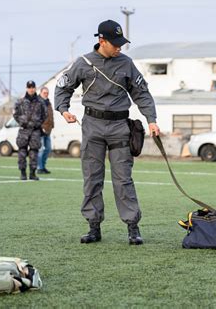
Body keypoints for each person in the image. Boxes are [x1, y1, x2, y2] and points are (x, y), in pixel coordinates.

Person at [55, 19, 160, 245]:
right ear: (102, 41)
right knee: (92, 178)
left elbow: (141, 93)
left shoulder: (127, 63)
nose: (119, 47)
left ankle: (133, 227)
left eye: (121, 43)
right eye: (115, 43)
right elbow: (63, 86)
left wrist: (151, 120)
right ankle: (94, 227)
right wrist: (63, 110)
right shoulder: (83, 63)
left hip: (120, 127)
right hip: (92, 125)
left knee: (123, 179)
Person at [13, 81, 47, 181]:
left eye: (32, 87)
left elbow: (44, 115)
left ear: (35, 88)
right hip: (24, 131)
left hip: (35, 131)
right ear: (26, 88)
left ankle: (32, 173)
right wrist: (21, 122)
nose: (31, 89)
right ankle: (23, 173)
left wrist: (38, 123)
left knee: (34, 153)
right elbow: (15, 114)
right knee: (22, 152)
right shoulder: (20, 102)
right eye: (29, 87)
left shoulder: (40, 102)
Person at [37, 87, 54, 174]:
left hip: (48, 129)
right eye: (44, 92)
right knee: (40, 149)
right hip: (40, 130)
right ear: (40, 93)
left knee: (48, 149)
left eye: (47, 92)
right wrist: (40, 127)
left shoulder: (48, 102)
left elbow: (50, 115)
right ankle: (39, 168)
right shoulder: (38, 102)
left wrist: (52, 125)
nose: (46, 94)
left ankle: (43, 166)